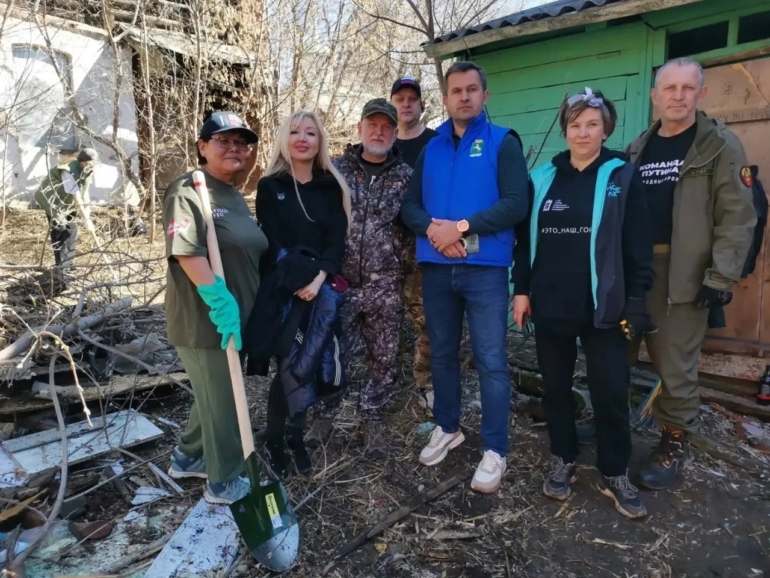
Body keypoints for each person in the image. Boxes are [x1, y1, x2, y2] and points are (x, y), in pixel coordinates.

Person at [511, 88, 654, 519]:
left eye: (592, 123)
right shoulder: (541, 178)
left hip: (604, 308)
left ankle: (614, 471)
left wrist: (635, 299)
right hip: (551, 302)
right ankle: (563, 458)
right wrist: (521, 290)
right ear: (565, 129)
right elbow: (523, 242)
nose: (583, 132)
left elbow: (638, 243)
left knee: (610, 391)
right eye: (575, 124)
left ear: (606, 127)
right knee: (555, 389)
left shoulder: (621, 175)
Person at [626, 57, 756, 490]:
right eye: (669, 88)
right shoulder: (638, 146)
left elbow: (738, 215)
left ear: (700, 94)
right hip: (634, 269)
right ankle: (610, 425)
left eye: (687, 88)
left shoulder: (719, 146)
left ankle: (673, 442)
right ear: (654, 96)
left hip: (682, 272)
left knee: (675, 362)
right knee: (615, 349)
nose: (677, 96)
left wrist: (720, 277)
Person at [401, 61, 529, 493]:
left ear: (484, 96)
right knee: (442, 354)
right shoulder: (431, 146)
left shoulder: (502, 142)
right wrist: (435, 231)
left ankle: (495, 449)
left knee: (491, 361)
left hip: (485, 271)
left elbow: (515, 203)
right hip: (437, 268)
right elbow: (410, 206)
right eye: (456, 91)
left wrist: (459, 227)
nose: (465, 97)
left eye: (473, 89)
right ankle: (448, 427)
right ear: (446, 98)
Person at [163, 111, 266, 504]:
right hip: (205, 322)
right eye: (223, 140)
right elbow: (186, 251)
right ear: (203, 147)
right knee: (223, 400)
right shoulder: (188, 189)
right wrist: (219, 299)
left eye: (242, 142)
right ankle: (224, 481)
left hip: (233, 320)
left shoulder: (233, 194)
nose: (235, 148)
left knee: (214, 392)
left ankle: (188, 457)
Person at [247, 110, 350, 476]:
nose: (303, 138)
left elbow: (336, 240)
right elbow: (272, 244)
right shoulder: (269, 185)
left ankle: (296, 435)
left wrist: (319, 279)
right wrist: (297, 281)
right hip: (283, 290)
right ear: (284, 139)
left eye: (310, 132)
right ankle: (275, 439)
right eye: (295, 132)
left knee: (308, 365)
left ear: (320, 140)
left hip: (319, 289)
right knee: (285, 367)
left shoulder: (330, 186)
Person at [330, 98, 412, 459]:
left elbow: (414, 227)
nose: (379, 131)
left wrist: (402, 265)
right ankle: (325, 412)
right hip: (340, 283)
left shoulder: (406, 177)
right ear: (360, 128)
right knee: (332, 352)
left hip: (385, 285)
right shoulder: (334, 170)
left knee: (384, 356)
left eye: (386, 126)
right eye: (372, 124)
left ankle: (372, 416)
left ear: (395, 133)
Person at [391, 77, 439, 414]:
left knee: (430, 318)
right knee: (383, 317)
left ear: (422, 105)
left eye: (412, 98)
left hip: (424, 243)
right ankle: (382, 379)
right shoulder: (381, 142)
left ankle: (426, 382)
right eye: (400, 98)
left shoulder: (436, 143)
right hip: (384, 245)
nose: (406, 104)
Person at [34, 147, 98, 271]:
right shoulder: (68, 171)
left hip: (65, 201)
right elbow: (76, 196)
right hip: (53, 200)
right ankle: (62, 269)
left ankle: (69, 263)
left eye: (92, 163)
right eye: (87, 163)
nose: (89, 166)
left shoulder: (88, 170)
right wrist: (85, 218)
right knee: (61, 232)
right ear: (81, 161)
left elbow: (85, 193)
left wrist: (88, 215)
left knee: (73, 230)